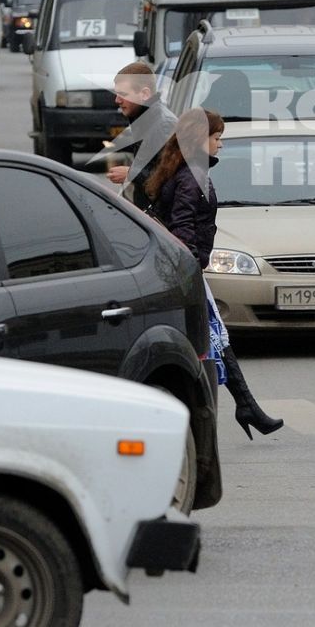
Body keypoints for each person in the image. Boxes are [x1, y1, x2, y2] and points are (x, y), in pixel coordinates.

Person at [147, 108, 284, 439]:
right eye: (217, 137)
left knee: (215, 339)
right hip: (187, 271)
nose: (221, 144)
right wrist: (192, 272)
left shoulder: (184, 170)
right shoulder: (191, 176)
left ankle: (246, 406)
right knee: (205, 343)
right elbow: (183, 228)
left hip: (185, 268)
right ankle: (223, 412)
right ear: (200, 138)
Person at [103, 61, 175, 210]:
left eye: (123, 94)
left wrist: (131, 174)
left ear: (145, 94)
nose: (117, 100)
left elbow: (171, 175)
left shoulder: (163, 124)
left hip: (163, 219)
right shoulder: (145, 120)